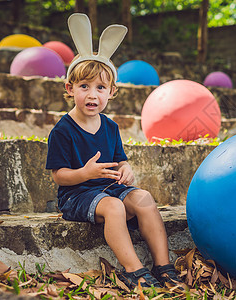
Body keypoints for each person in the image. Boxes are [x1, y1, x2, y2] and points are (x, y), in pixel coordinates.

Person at [46, 13, 182, 290]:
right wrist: (84, 173)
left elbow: (120, 159)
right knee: (115, 207)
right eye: (84, 86)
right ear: (69, 89)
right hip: (77, 195)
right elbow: (59, 177)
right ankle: (134, 271)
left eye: (100, 87)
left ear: (112, 92)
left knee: (143, 198)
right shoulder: (63, 130)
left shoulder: (110, 126)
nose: (92, 95)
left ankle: (163, 266)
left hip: (109, 187)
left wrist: (126, 168)